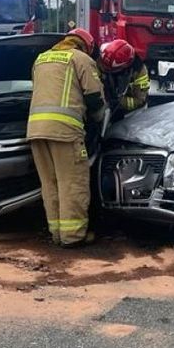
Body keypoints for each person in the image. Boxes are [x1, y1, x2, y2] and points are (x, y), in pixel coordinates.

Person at [27, 28, 105, 247]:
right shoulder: (81, 59)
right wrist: (98, 121)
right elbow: (94, 97)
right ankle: (73, 236)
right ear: (86, 46)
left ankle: (57, 233)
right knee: (72, 183)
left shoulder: (41, 59)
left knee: (50, 184)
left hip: (35, 131)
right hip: (65, 131)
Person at [99, 39, 150, 121]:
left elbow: (140, 100)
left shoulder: (139, 71)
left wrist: (118, 101)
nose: (108, 72)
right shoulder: (105, 54)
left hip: (129, 114)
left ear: (125, 67)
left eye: (113, 71)